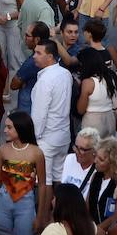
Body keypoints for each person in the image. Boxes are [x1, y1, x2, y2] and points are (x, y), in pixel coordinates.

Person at [0, 111, 46, 235]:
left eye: (9, 127)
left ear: (20, 128)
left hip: (25, 203)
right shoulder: (2, 150)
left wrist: (40, 215)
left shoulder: (36, 153)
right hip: (3, 200)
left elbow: (42, 185)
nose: (5, 131)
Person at [31, 39, 74, 186]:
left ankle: (44, 209)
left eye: (38, 53)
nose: (34, 56)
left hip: (47, 138)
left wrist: (34, 139)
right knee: (58, 177)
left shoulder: (45, 81)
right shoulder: (65, 73)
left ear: (50, 57)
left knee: (45, 181)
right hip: (63, 135)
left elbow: (39, 114)